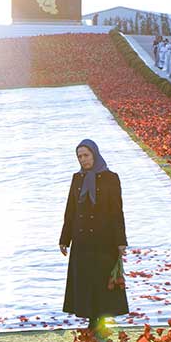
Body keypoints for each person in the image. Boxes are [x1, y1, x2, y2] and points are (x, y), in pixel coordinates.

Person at [59, 139, 129, 331]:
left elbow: (117, 211)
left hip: (104, 240)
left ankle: (101, 319)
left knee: (101, 279)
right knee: (85, 279)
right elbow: (71, 209)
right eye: (79, 156)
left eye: (86, 155)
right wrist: (65, 239)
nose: (83, 160)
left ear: (95, 154)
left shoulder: (111, 178)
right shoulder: (77, 178)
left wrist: (120, 241)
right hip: (82, 240)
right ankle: (91, 318)